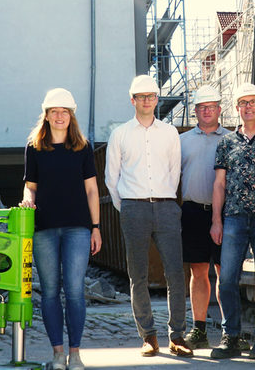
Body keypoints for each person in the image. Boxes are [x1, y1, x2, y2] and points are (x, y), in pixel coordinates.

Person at [104, 74, 193, 358]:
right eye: (141, 96)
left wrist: (163, 199)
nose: (146, 101)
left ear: (157, 99)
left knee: (176, 273)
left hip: (166, 207)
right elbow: (111, 178)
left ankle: (177, 336)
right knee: (137, 275)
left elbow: (174, 170)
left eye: (151, 96)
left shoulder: (169, 133)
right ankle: (148, 336)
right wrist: (128, 206)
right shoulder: (120, 134)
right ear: (132, 100)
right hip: (134, 207)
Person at [19, 88, 102, 370]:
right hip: (44, 228)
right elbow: (30, 187)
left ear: (71, 116)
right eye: (54, 111)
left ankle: (75, 353)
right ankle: (57, 354)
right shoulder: (34, 147)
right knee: (51, 291)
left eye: (64, 111)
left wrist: (96, 227)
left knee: (75, 291)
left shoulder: (82, 147)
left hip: (78, 228)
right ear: (46, 115)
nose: (59, 116)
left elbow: (92, 190)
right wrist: (27, 202)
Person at [209, 82, 255, 360]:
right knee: (226, 280)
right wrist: (216, 220)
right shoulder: (226, 142)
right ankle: (231, 337)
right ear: (236, 109)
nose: (248, 107)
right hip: (234, 219)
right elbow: (219, 184)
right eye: (243, 103)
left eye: (253, 102)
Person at [179, 85, 229, 349]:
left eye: (212, 106)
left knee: (224, 272)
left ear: (219, 109)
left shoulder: (233, 139)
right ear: (195, 111)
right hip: (193, 212)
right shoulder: (182, 141)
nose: (207, 110)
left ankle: (228, 330)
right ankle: (198, 329)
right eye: (202, 107)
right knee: (198, 271)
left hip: (225, 213)